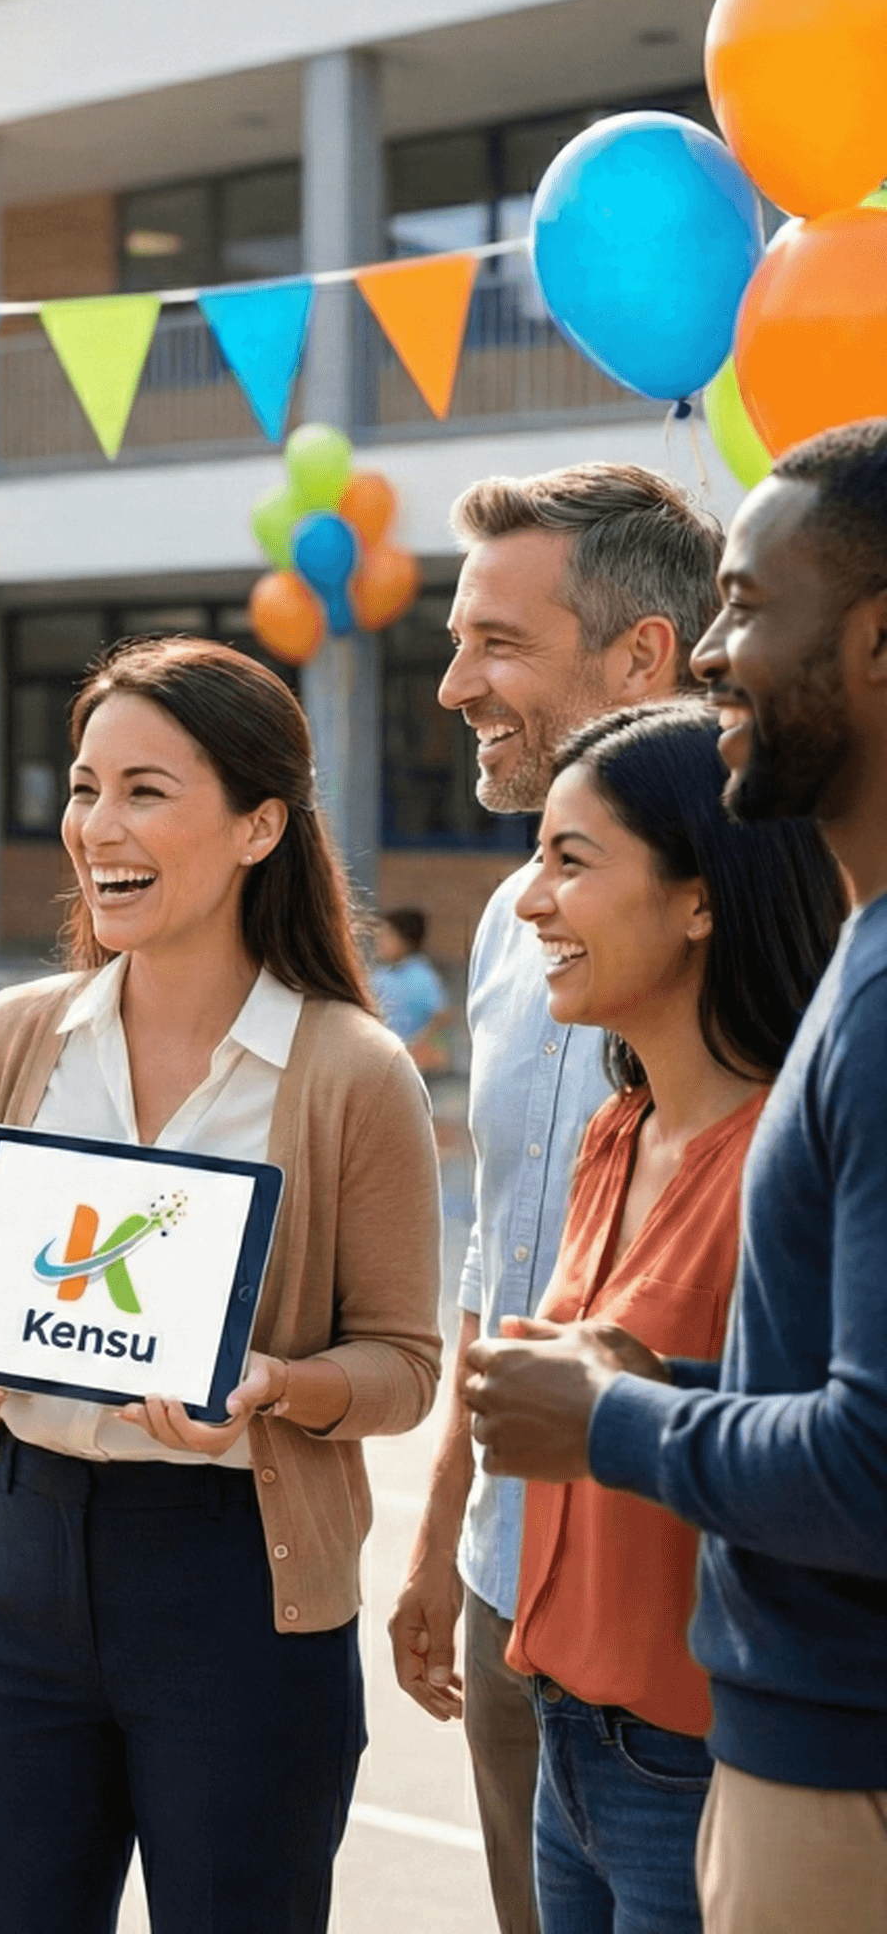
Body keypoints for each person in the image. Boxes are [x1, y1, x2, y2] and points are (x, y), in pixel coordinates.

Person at [0, 637, 444, 1934]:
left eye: (146, 790)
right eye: (84, 787)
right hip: (19, 1555)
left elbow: (404, 1367)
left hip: (238, 1578)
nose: (98, 826)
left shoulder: (352, 1072)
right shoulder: (12, 1036)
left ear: (260, 824)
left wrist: (271, 1384)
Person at [465, 422, 887, 1934]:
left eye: (747, 609)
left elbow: (868, 1459)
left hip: (776, 1744)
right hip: (613, 1714)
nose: (713, 654)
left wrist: (613, 1415)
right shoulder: (645, 1103)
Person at [391, 463, 722, 1934]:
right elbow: (499, 1262)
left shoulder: (781, 941)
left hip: (685, 1637)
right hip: (503, 1586)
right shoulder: (506, 924)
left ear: (642, 656)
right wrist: (442, 1537)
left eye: (496, 643)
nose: (453, 683)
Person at [504, 705, 843, 1933]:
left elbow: (830, 1463)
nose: (529, 899)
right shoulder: (615, 1127)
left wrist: (621, 1405)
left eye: (569, 859)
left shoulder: (788, 1162)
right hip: (566, 1740)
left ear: (698, 897)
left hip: (700, 1768)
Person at [368, 906, 450, 1070]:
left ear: (405, 939)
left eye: (386, 936)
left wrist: (418, 1044)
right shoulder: (380, 976)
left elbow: (442, 1016)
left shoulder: (422, 976)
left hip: (414, 1063)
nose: (379, 942)